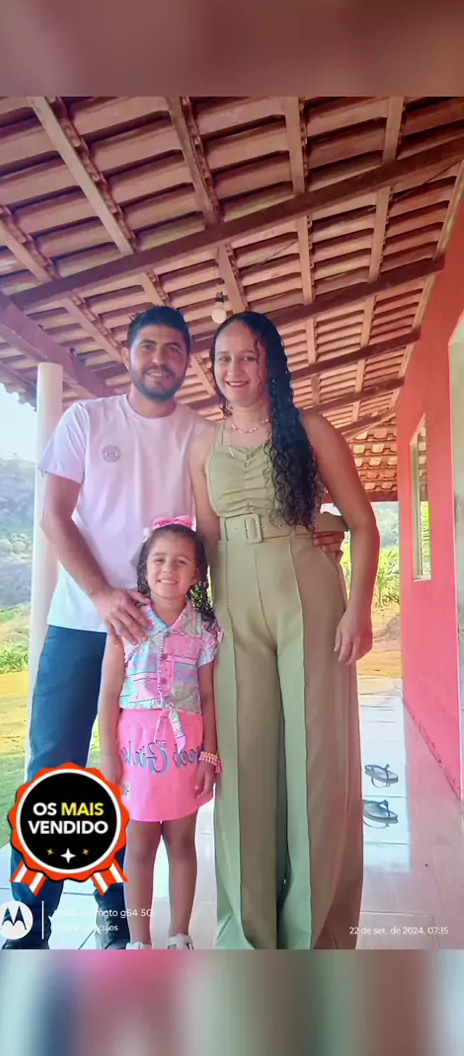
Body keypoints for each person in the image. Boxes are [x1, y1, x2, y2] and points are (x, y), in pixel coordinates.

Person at [4, 304, 345, 950]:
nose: (159, 359)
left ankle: (116, 925)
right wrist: (103, 594)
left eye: (173, 350)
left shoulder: (205, 436)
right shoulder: (87, 420)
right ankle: (28, 928)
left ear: (190, 363)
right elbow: (53, 516)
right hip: (83, 624)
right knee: (57, 773)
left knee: (140, 784)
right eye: (148, 347)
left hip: (171, 640)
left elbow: (255, 506)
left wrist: (322, 532)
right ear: (127, 354)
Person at [189, 311, 380, 950]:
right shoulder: (203, 445)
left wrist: (359, 609)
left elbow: (362, 523)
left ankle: (315, 939)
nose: (234, 370)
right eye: (223, 359)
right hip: (233, 606)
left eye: (248, 356)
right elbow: (206, 538)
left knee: (316, 761)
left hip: (311, 601)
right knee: (242, 766)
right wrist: (189, 622)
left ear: (270, 362)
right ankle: (246, 944)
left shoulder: (310, 428)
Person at [99, 519, 221, 950]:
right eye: (159, 560)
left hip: (186, 751)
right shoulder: (126, 623)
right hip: (136, 752)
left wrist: (210, 755)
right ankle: (139, 941)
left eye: (181, 562)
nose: (169, 569)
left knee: (182, 842)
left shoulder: (205, 630)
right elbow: (108, 693)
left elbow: (209, 695)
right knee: (139, 847)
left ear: (197, 574)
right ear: (145, 568)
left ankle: (179, 934)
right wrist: (109, 755)